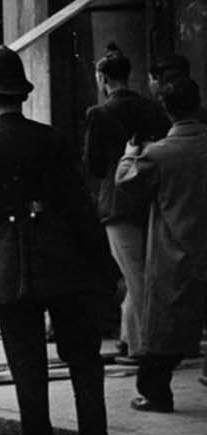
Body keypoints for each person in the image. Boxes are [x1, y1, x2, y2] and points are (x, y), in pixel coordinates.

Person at [0, 46, 123, 435]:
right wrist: (102, 267)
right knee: (84, 363)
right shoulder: (52, 140)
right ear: (23, 96)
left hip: (11, 267)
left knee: (28, 373)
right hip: (64, 262)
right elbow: (80, 209)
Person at [114, 77, 207, 413]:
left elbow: (126, 183)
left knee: (165, 330)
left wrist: (128, 155)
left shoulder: (159, 154)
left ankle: (155, 393)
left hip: (175, 251)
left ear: (166, 111)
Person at [84, 44, 171, 359]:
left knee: (135, 276)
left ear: (102, 77)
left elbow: (93, 165)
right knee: (142, 272)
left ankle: (146, 347)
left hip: (117, 202)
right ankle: (128, 337)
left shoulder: (98, 113)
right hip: (150, 198)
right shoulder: (151, 108)